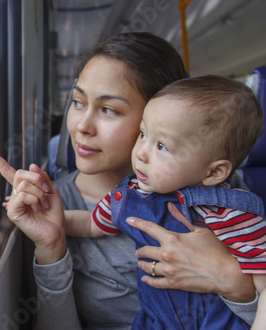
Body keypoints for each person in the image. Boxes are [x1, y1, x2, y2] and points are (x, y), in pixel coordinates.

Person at [0, 32, 257, 329]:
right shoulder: (51, 205)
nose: (82, 127)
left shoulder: (218, 192)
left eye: (108, 110)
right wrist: (52, 248)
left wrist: (234, 283)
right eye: (77, 103)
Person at [64, 75, 266, 329]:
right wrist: (55, 219)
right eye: (142, 134)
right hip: (155, 321)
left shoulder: (232, 214)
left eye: (161, 146)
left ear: (214, 173)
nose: (140, 153)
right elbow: (91, 224)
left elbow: (263, 284)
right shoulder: (129, 196)